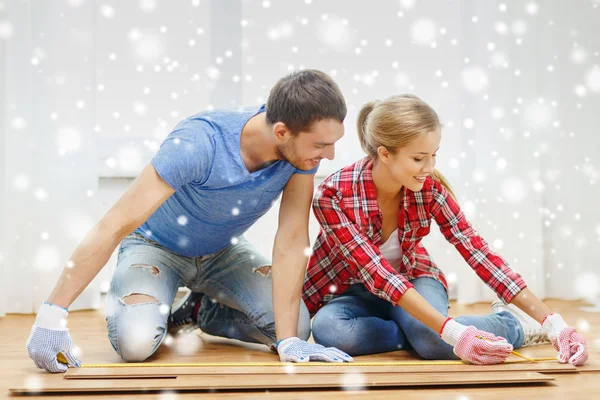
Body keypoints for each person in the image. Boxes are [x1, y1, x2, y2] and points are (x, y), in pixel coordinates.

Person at [26, 69, 354, 373]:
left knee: (296, 326)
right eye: (321, 145)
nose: (330, 155)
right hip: (154, 247)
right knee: (136, 344)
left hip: (222, 253)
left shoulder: (299, 153)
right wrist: (51, 316)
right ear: (282, 131)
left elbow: (293, 236)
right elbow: (114, 223)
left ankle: (199, 311)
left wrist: (287, 342)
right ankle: (151, 300)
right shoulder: (198, 143)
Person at [302, 94, 588, 365]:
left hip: (415, 278)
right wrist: (450, 332)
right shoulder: (333, 196)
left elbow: (478, 252)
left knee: (432, 339)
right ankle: (420, 331)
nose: (429, 167)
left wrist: (553, 322)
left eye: (433, 155)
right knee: (330, 331)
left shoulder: (430, 190)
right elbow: (377, 272)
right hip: (355, 289)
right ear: (385, 154)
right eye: (418, 158)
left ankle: (511, 325)